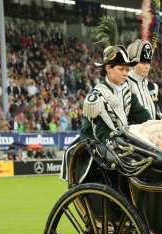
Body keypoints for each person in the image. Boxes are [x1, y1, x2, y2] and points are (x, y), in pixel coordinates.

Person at [61, 45, 152, 182]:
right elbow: (101, 133)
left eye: (127, 69)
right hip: (95, 151)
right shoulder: (97, 97)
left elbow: (142, 116)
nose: (125, 73)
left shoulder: (127, 90)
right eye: (121, 69)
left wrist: (151, 128)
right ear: (108, 68)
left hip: (117, 144)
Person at [126, 39, 162, 119]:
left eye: (148, 62)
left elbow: (161, 114)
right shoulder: (124, 84)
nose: (147, 66)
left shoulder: (154, 87)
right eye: (143, 63)